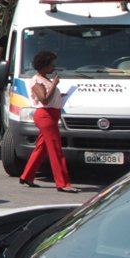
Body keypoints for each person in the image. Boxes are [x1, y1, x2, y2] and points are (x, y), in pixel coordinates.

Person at [18, 50, 78, 192]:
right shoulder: (37, 80)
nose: (53, 67)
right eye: (51, 64)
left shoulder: (44, 78)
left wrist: (60, 95)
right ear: (43, 65)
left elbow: (49, 97)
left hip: (51, 114)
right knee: (56, 149)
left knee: (42, 148)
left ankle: (27, 175)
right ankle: (63, 183)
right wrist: (54, 85)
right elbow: (44, 100)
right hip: (46, 116)